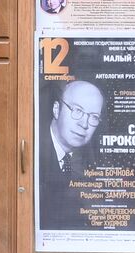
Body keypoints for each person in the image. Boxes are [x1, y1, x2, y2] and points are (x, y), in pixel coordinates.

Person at [39, 80, 105, 231]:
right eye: (77, 110)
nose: (84, 124)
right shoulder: (35, 152)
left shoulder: (91, 162)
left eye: (94, 117)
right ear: (56, 110)